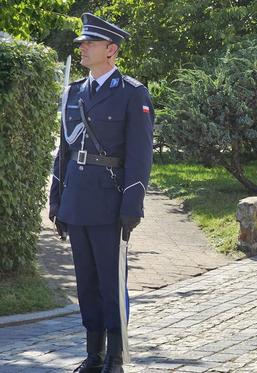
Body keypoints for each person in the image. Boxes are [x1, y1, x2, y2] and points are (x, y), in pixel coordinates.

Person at [48, 13, 154, 372]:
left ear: (111, 50)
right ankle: (93, 353)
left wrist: (132, 205)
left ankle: (116, 355)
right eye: (82, 43)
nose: (82, 48)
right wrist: (57, 201)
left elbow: (140, 155)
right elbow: (63, 152)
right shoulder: (74, 92)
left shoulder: (131, 93)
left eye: (89, 43)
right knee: (86, 285)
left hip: (110, 203)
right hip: (77, 201)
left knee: (111, 284)